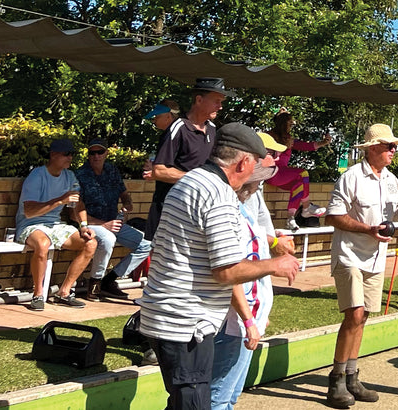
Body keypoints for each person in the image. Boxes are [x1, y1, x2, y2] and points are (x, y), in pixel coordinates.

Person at [138, 123, 300, 409]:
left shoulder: (192, 181)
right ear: (243, 162)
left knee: (182, 401)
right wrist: (275, 264)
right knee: (195, 403)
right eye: (256, 166)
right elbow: (226, 271)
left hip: (166, 315)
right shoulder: (219, 196)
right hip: (185, 322)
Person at [323, 124, 398, 408]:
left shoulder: (391, 179)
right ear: (372, 149)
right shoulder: (351, 177)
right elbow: (333, 217)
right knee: (354, 314)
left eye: (395, 146)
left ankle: (352, 376)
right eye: (389, 146)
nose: (394, 150)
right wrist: (368, 229)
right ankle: (336, 380)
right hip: (348, 255)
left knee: (364, 316)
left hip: (375, 257)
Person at [210, 131, 289, 410]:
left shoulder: (245, 207)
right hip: (234, 321)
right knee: (218, 397)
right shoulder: (230, 211)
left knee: (229, 396)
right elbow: (230, 271)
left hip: (246, 317)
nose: (259, 185)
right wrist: (248, 320)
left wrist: (258, 315)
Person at [145, 77, 235, 241]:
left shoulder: (213, 130)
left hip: (198, 211)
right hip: (171, 212)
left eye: (221, 102)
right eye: (216, 101)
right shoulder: (178, 128)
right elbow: (159, 171)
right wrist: (198, 179)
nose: (220, 106)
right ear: (199, 100)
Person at [16, 138, 97, 311]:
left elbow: (78, 203)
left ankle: (64, 292)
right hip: (30, 224)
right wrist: (60, 200)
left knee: (90, 244)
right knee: (43, 244)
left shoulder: (70, 176)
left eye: (72, 154)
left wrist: (83, 225)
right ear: (53, 155)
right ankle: (38, 294)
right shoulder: (37, 175)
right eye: (66, 154)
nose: (70, 158)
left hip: (55, 225)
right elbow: (29, 212)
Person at [75, 138, 152, 301]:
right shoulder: (80, 175)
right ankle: (94, 285)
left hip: (113, 222)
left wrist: (128, 205)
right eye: (92, 153)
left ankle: (109, 281)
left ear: (106, 153)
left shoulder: (112, 170)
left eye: (100, 152)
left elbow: (124, 194)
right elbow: (75, 212)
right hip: (91, 224)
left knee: (146, 244)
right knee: (108, 239)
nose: (96, 156)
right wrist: (103, 224)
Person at [266, 110, 334, 226]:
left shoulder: (288, 138)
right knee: (302, 173)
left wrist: (323, 143)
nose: (291, 127)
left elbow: (305, 146)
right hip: (271, 172)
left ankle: (291, 218)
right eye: (290, 124)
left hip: (281, 175)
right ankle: (307, 207)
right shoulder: (269, 136)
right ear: (283, 124)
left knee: (298, 184)